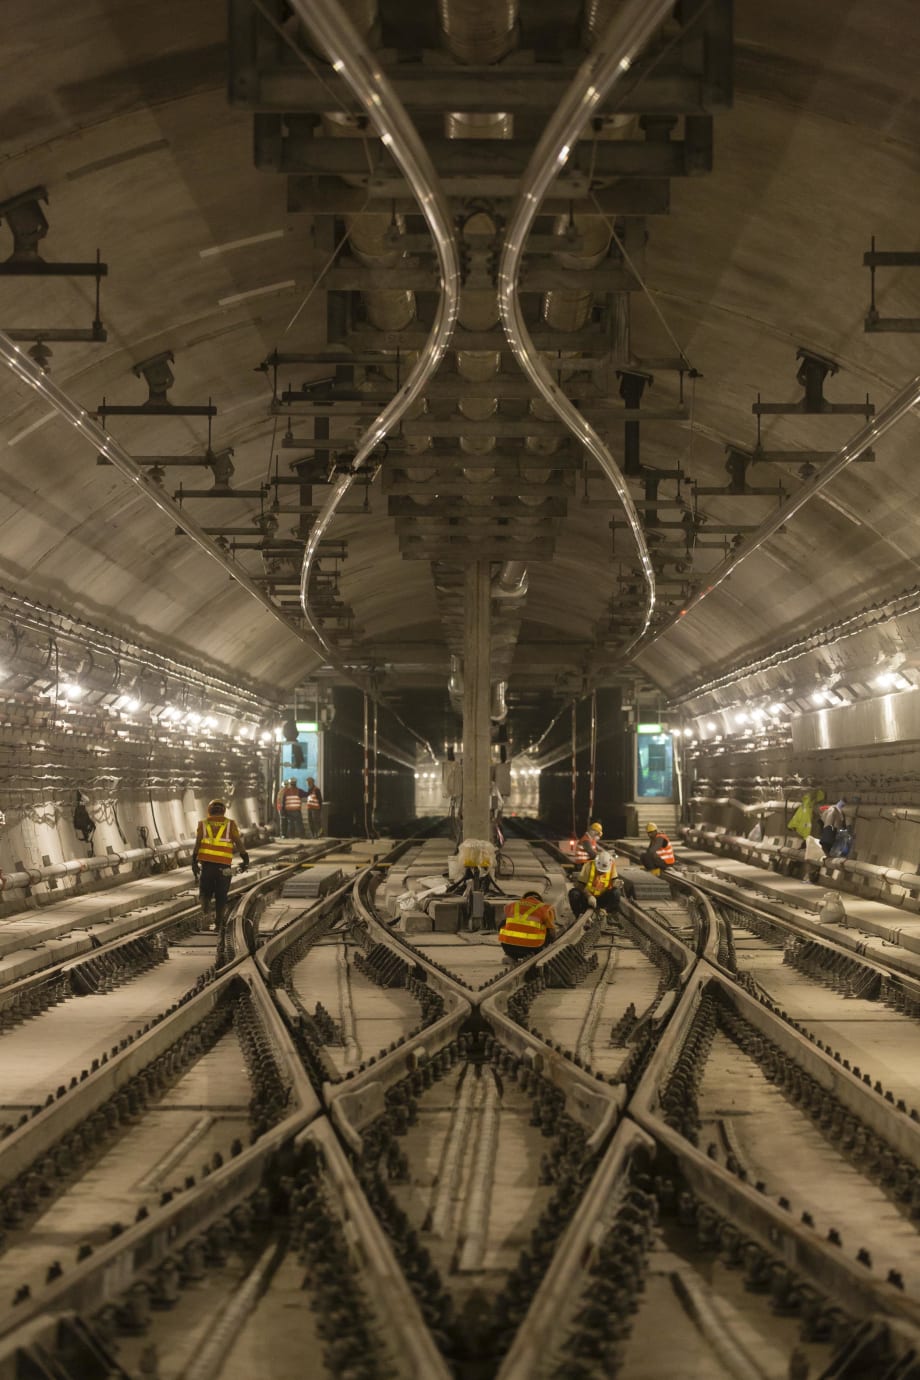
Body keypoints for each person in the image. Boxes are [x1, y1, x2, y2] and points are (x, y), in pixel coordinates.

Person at [192, 799, 249, 935]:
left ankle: (206, 920)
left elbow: (198, 843)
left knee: (205, 894)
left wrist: (193, 861)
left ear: (209, 810)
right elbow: (238, 842)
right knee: (221, 896)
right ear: (223, 810)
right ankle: (219, 924)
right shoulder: (230, 824)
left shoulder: (203, 824)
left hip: (207, 867)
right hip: (225, 867)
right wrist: (245, 858)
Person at [498, 889, 557, 961]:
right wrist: (554, 944)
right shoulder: (545, 908)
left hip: (510, 949)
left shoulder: (512, 905)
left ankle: (511, 956)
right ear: (540, 900)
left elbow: (501, 925)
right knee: (547, 928)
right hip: (533, 949)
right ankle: (538, 954)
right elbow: (552, 932)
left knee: (504, 923)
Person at [570, 848, 620, 919]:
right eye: (600, 871)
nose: (601, 873)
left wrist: (617, 882)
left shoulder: (611, 865)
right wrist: (589, 896)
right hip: (588, 899)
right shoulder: (588, 865)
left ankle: (608, 913)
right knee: (574, 893)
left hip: (603, 898)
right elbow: (580, 885)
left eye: (604, 871)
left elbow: (614, 879)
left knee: (616, 892)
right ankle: (579, 915)